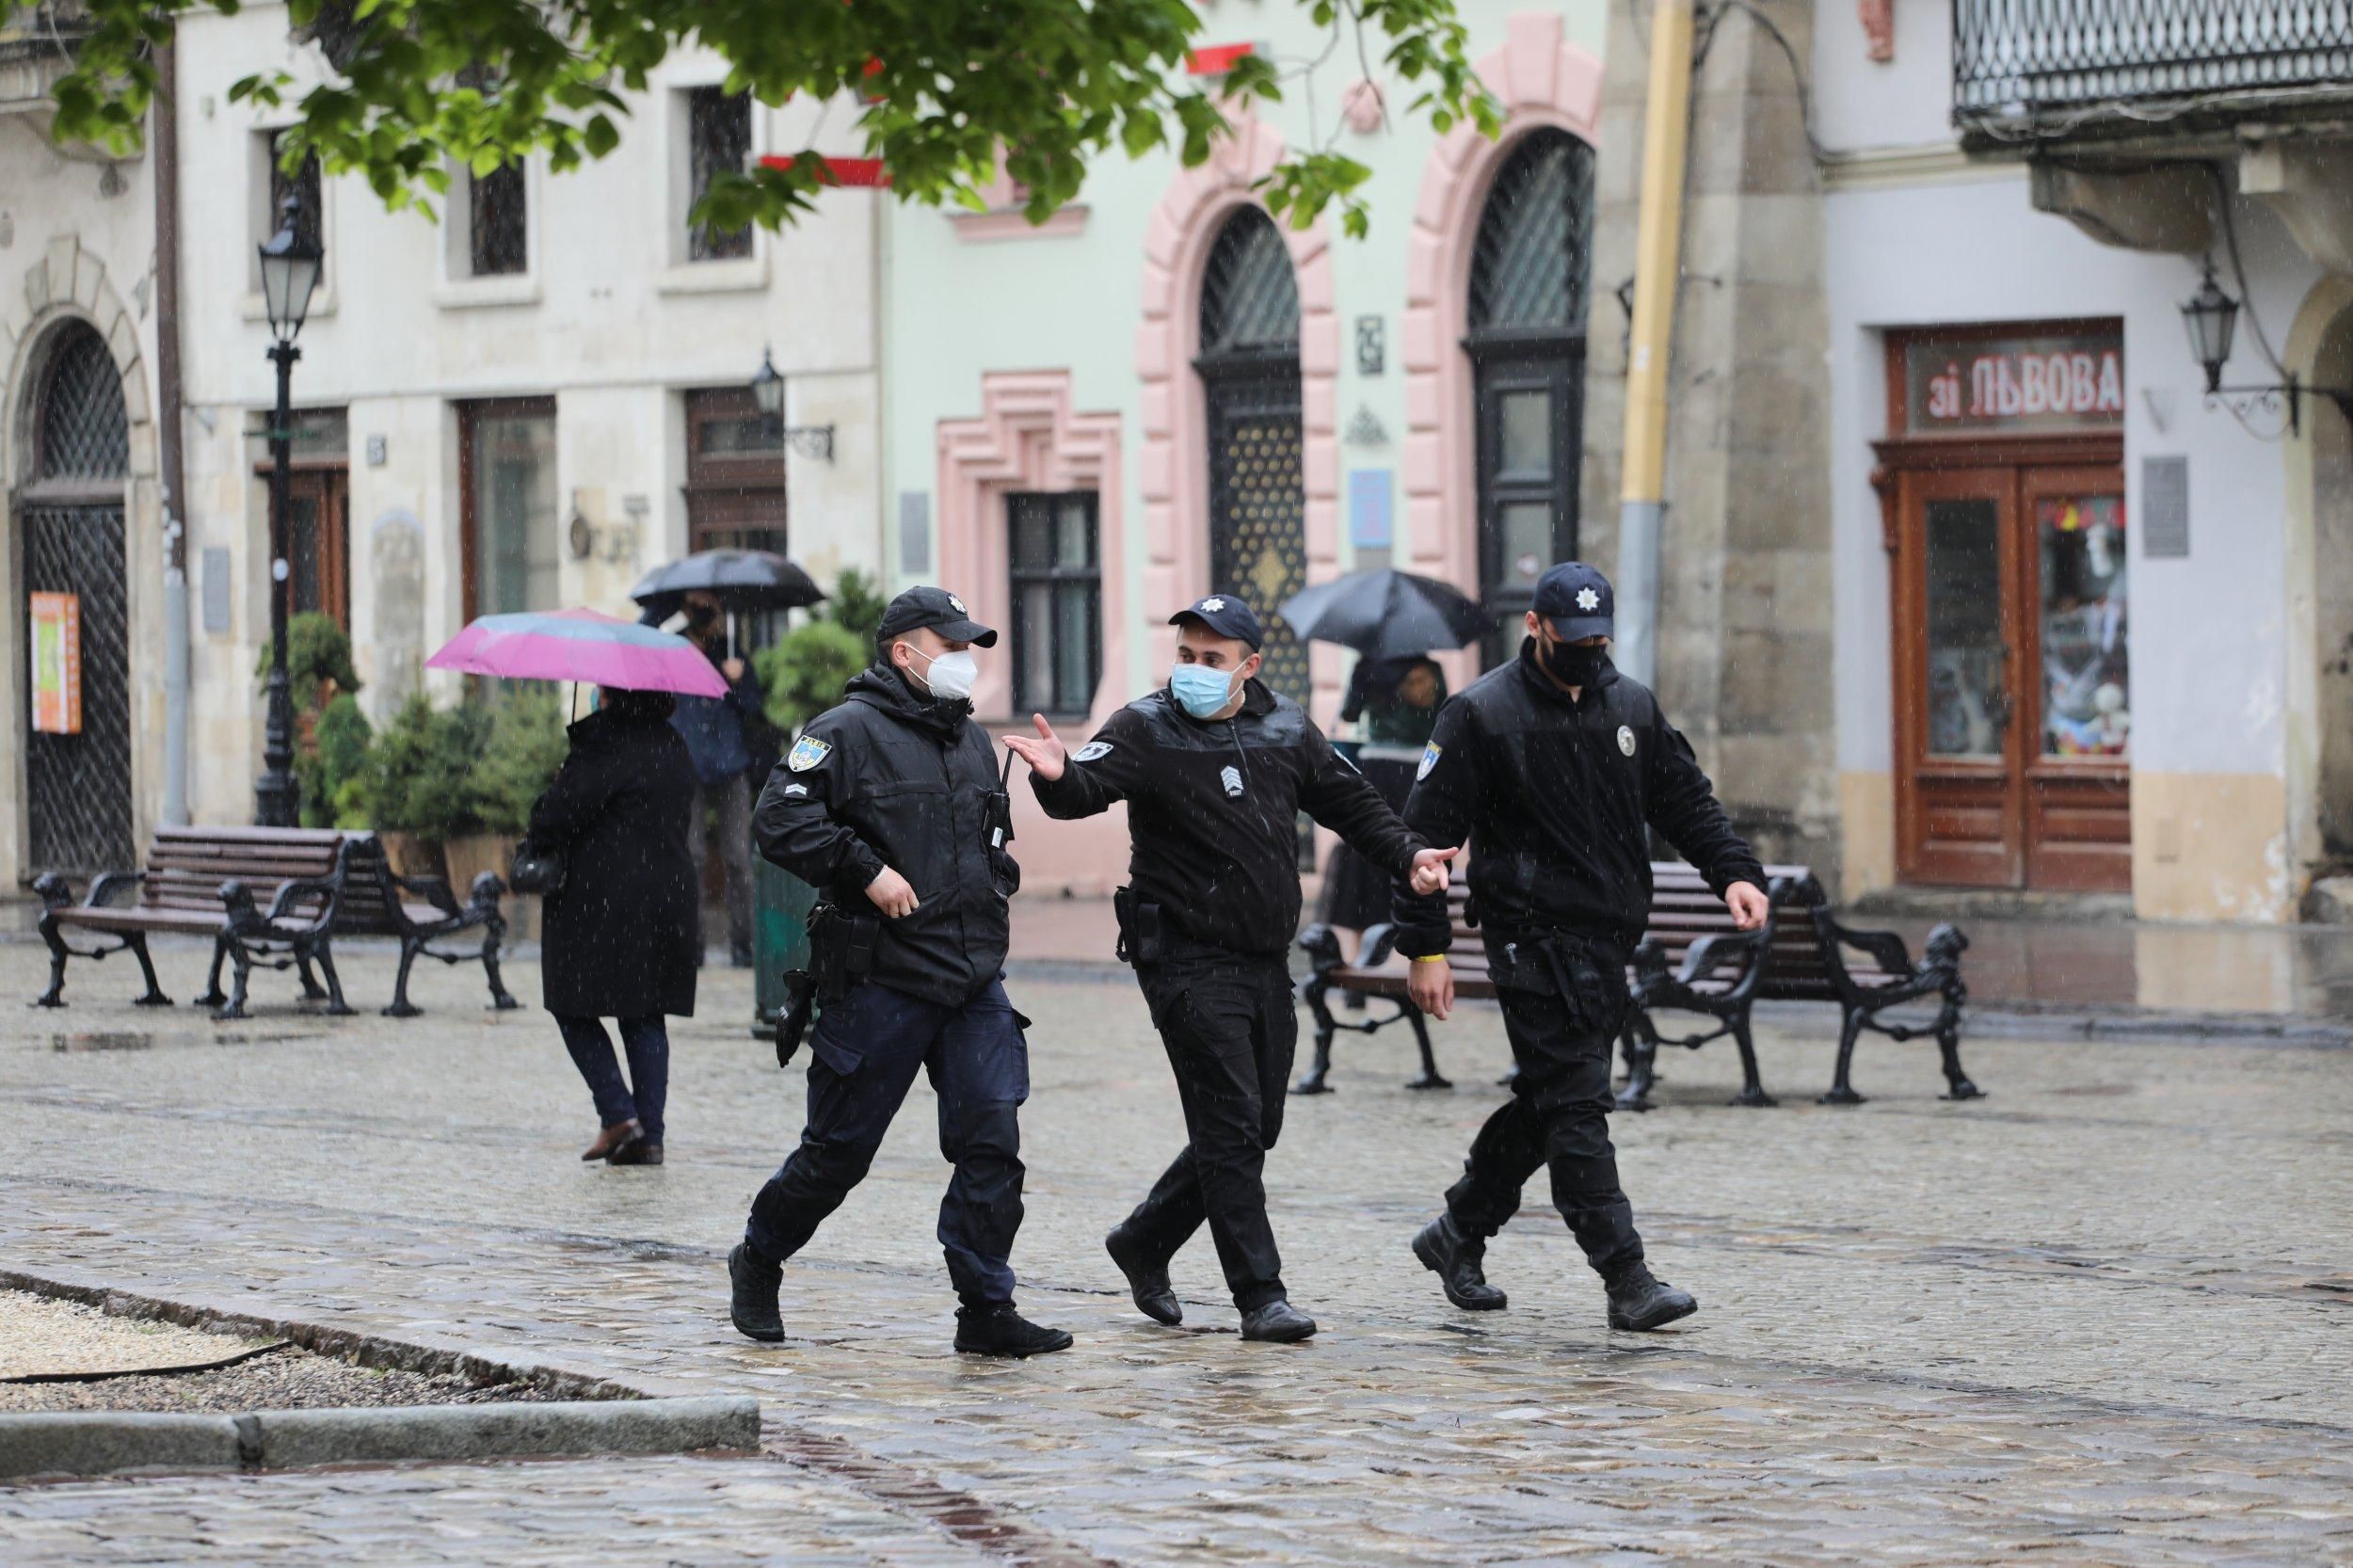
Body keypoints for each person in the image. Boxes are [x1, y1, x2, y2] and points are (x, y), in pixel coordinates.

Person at [1006, 596, 1458, 1343]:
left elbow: (1354, 804)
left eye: (1212, 660)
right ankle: (1260, 1295)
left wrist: (1409, 855)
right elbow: (1081, 792)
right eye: (1186, 655)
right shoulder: (1145, 727)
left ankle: (1145, 1240)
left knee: (1257, 1125)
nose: (1193, 671)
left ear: (1249, 666)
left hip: (1263, 959)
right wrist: (1055, 776)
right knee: (1230, 1128)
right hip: (1183, 957)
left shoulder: (1285, 729)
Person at [1393, 562, 1769, 1332]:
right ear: (1535, 629)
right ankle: (1626, 1278)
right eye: (1573, 641)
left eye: (1601, 641)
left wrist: (1733, 873)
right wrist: (1424, 950)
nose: (1589, 654)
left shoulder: (1629, 704)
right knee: (1576, 1105)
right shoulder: (1479, 714)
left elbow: (1684, 799)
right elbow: (1424, 843)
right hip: (1528, 938)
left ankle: (1457, 1232)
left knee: (1551, 1099)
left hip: (1606, 938)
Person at [729, 586, 1070, 1359]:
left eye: (968, 648)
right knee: (838, 1156)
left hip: (971, 981)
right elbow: (777, 818)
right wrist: (864, 867)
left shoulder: (971, 742)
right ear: (902, 653)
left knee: (992, 1143)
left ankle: (985, 1307)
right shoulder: (844, 731)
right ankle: (759, 1254)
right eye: (947, 646)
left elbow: (987, 844)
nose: (963, 662)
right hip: (881, 980)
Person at [528, 685, 701, 1168]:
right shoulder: (673, 742)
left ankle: (618, 1113)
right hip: (666, 894)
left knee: (570, 1003)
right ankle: (650, 1135)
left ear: (610, 693)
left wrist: (554, 789)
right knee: (644, 1013)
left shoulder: (603, 742)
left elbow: (556, 817)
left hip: (603, 897)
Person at [1315, 655, 1449, 956]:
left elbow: (1350, 715)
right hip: (1419, 772)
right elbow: (1444, 715)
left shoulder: (1367, 667)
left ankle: (1360, 960)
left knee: (1366, 858)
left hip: (1376, 769)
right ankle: (1414, 952)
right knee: (1415, 854)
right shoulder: (1428, 668)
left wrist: (1373, 691)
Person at [670, 591, 765, 968]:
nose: (714, 618)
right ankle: (692, 950)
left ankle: (744, 948)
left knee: (739, 858)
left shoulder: (731, 652)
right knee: (689, 857)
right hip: (686, 762)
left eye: (715, 610)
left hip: (730, 763)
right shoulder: (673, 651)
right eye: (704, 610)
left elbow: (753, 707)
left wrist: (737, 681)